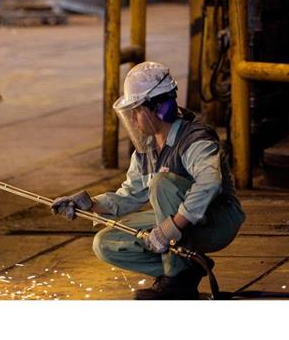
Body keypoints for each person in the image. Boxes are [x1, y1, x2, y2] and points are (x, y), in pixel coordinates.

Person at [51, 61, 245, 299]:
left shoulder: (195, 138)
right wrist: (90, 204)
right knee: (107, 242)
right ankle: (187, 268)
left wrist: (171, 228)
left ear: (160, 109)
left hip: (217, 220)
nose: (132, 119)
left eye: (137, 111)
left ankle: (176, 283)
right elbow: (129, 194)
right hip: (183, 223)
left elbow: (210, 183)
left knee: (162, 183)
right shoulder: (149, 148)